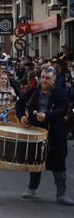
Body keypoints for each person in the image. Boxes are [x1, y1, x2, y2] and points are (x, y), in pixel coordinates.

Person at [17, 66, 74, 205]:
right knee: (36, 160)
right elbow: (19, 104)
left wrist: (48, 115)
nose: (44, 80)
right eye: (42, 77)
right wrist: (22, 116)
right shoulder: (32, 92)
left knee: (58, 163)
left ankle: (61, 194)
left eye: (47, 78)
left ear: (54, 80)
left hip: (55, 132)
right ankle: (32, 188)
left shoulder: (59, 92)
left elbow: (63, 109)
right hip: (36, 131)